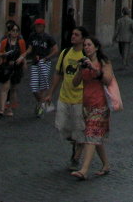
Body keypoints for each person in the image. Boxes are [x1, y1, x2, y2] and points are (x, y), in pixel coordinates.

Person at [70, 37, 114, 179]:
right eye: (85, 45)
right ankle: (106, 165)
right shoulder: (83, 62)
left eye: (89, 45)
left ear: (96, 47)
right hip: (86, 105)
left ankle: (84, 170)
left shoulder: (103, 62)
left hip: (100, 105)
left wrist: (94, 68)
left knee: (90, 135)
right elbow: (75, 83)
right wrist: (80, 70)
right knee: (95, 137)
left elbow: (107, 80)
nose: (86, 47)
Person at [47, 26, 88, 168]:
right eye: (72, 34)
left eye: (76, 35)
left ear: (83, 39)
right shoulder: (65, 53)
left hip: (80, 98)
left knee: (80, 129)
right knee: (62, 127)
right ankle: (77, 142)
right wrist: (50, 93)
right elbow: (58, 73)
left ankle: (76, 157)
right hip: (64, 96)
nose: (73, 36)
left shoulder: (86, 56)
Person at [24, 17, 59, 117]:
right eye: (36, 26)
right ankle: (43, 103)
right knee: (34, 86)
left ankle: (40, 106)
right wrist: (24, 55)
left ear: (43, 27)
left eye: (39, 26)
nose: (38, 28)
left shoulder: (48, 38)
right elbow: (30, 48)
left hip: (45, 62)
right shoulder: (32, 36)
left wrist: (47, 57)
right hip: (35, 63)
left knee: (43, 85)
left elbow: (56, 50)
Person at [0, 20, 26, 117]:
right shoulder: (4, 42)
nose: (15, 32)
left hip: (17, 67)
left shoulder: (21, 42)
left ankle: (10, 108)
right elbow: (0, 53)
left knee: (13, 88)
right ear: (9, 31)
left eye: (17, 30)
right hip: (6, 66)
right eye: (13, 30)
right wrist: (0, 60)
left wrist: (23, 61)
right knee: (5, 87)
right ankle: (1, 108)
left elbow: (23, 53)